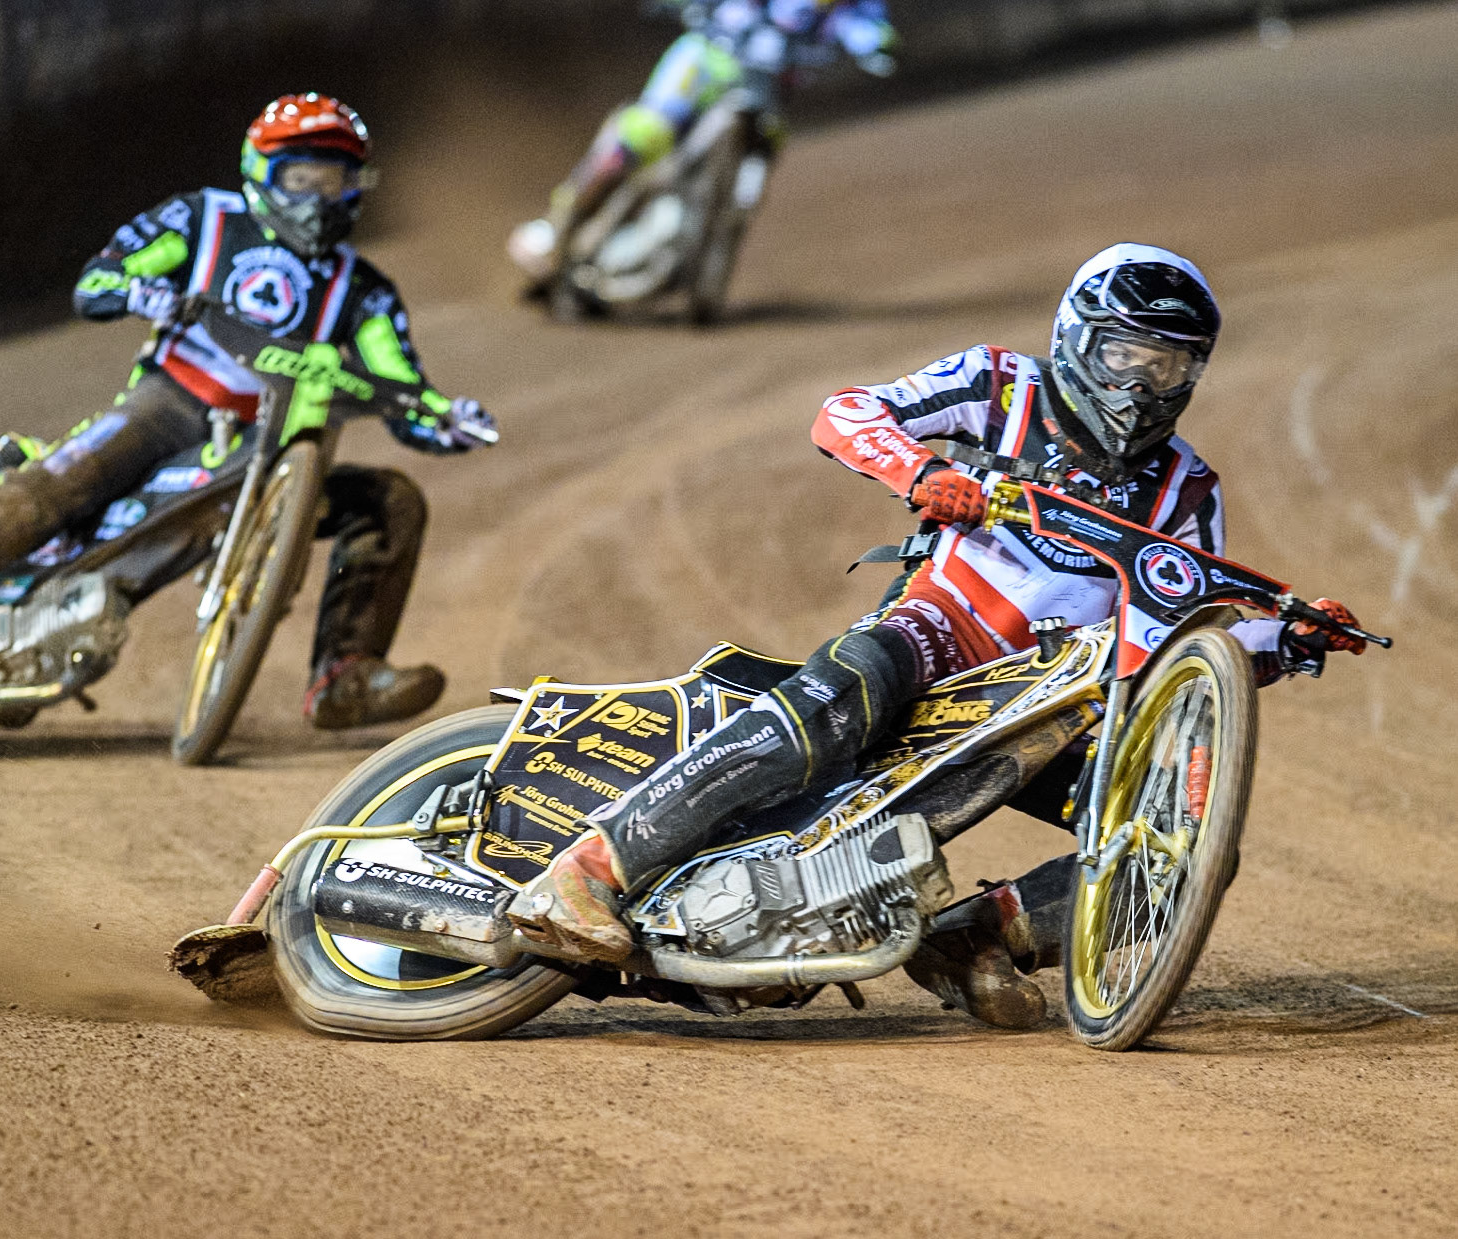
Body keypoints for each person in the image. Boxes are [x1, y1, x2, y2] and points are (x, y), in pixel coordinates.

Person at [507, 243, 1368, 1027]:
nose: (1142, 385)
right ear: (1076, 336)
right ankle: (589, 869)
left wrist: (1283, 643)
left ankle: (971, 938)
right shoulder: (1001, 386)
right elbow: (843, 414)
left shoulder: (1185, 490)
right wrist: (919, 471)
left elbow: (1178, 644)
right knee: (848, 689)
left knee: (1180, 849)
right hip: (938, 633)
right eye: (1124, 356)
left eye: (1168, 365)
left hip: (1048, 703)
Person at [0, 93, 496, 729]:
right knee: (46, 494)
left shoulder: (364, 291)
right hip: (171, 404)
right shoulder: (204, 220)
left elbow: (400, 382)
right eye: (302, 179)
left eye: (337, 180)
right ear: (263, 172)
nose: (319, 198)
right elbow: (100, 279)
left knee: (391, 499)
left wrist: (443, 417)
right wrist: (145, 293)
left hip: (279, 444)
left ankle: (344, 677)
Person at [508, 0, 898, 284]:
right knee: (644, 133)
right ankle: (553, 229)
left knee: (768, 144)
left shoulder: (857, 8)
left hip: (766, 92)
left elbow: (869, 30)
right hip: (706, 62)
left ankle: (705, 238)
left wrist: (880, 44)